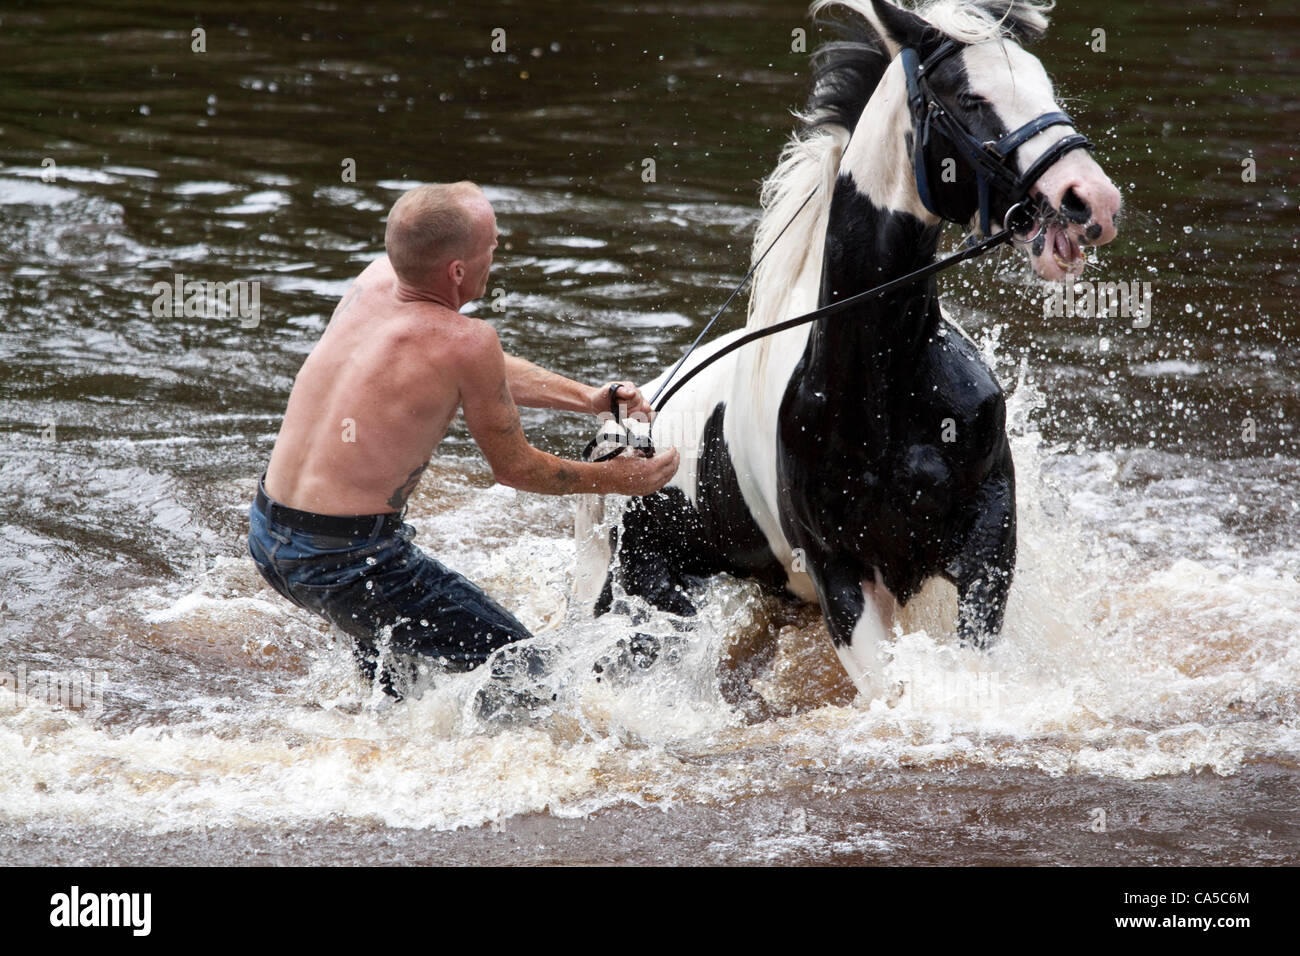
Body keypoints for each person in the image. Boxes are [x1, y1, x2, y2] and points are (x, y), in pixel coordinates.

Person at [247, 181, 679, 695]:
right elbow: (516, 468)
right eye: (492, 248)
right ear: (457, 271)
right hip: (349, 562)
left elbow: (471, 367)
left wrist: (587, 397)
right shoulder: (468, 341)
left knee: (400, 678)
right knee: (531, 679)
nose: (496, 256)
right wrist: (616, 479)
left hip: (270, 537)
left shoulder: (374, 283)